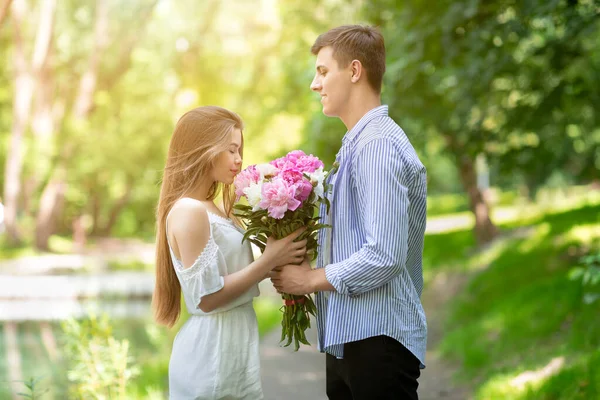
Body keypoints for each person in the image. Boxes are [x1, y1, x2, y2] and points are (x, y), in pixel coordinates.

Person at [270, 25, 428, 399]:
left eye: (323, 71)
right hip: (352, 338)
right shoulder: (356, 146)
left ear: (355, 71)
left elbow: (384, 255)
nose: (314, 84)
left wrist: (308, 281)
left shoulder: (376, 146)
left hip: (376, 342)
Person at [152, 106, 307, 399]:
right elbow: (207, 298)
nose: (239, 160)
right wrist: (269, 259)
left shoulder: (213, 209)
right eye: (231, 150)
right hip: (211, 360)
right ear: (204, 150)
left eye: (240, 150)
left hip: (233, 356)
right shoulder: (189, 211)